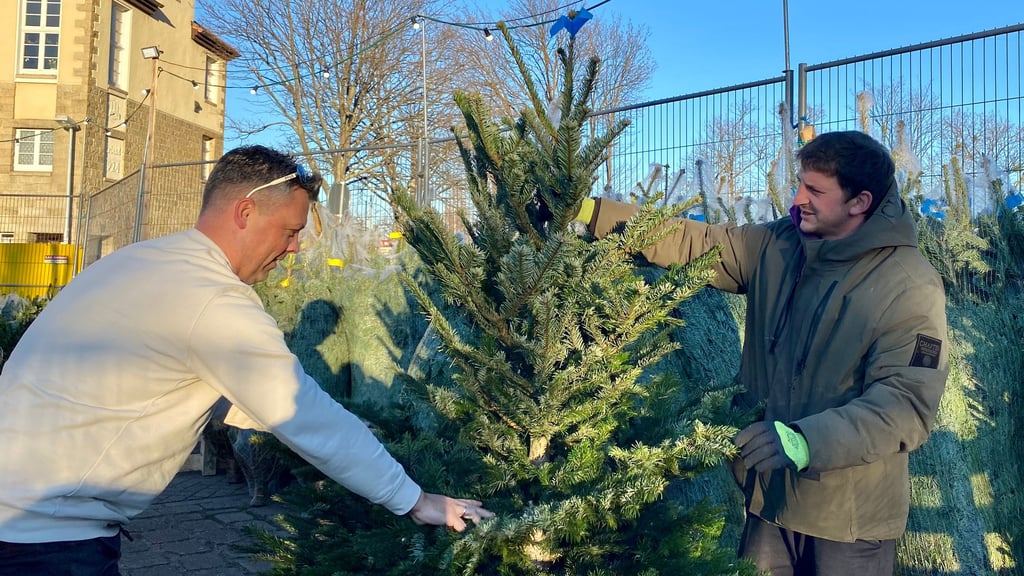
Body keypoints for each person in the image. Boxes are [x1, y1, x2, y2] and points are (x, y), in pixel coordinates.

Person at [0, 145, 493, 575]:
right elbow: (303, 415)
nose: (295, 248)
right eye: (290, 230)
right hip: (43, 540)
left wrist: (345, 429)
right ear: (245, 212)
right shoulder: (212, 300)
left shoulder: (142, 262)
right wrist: (414, 500)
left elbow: (176, 385)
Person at [576, 131, 948, 575]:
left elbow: (905, 405)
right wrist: (589, 213)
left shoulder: (908, 284)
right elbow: (692, 241)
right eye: (800, 183)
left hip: (848, 521)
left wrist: (803, 440)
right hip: (768, 501)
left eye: (815, 190)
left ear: (859, 201)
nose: (798, 198)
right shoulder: (779, 245)